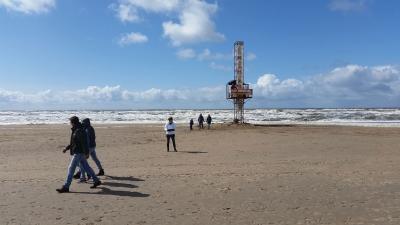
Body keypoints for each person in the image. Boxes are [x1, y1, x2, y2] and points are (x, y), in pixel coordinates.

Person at [56, 116, 101, 193]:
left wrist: (86, 153)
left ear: (73, 122)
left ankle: (66, 187)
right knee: (86, 167)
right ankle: (96, 180)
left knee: (71, 168)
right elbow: (74, 142)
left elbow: (84, 143)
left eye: (70, 122)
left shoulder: (79, 130)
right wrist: (67, 148)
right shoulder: (76, 129)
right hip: (80, 152)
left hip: (79, 153)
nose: (70, 123)